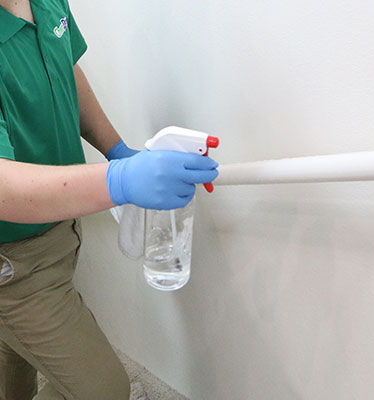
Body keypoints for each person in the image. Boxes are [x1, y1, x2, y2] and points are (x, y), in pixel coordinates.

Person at [0, 0, 219, 399]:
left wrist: (117, 150)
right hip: (13, 260)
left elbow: (64, 68)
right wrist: (118, 180)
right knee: (104, 390)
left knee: (13, 369)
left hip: (58, 228)